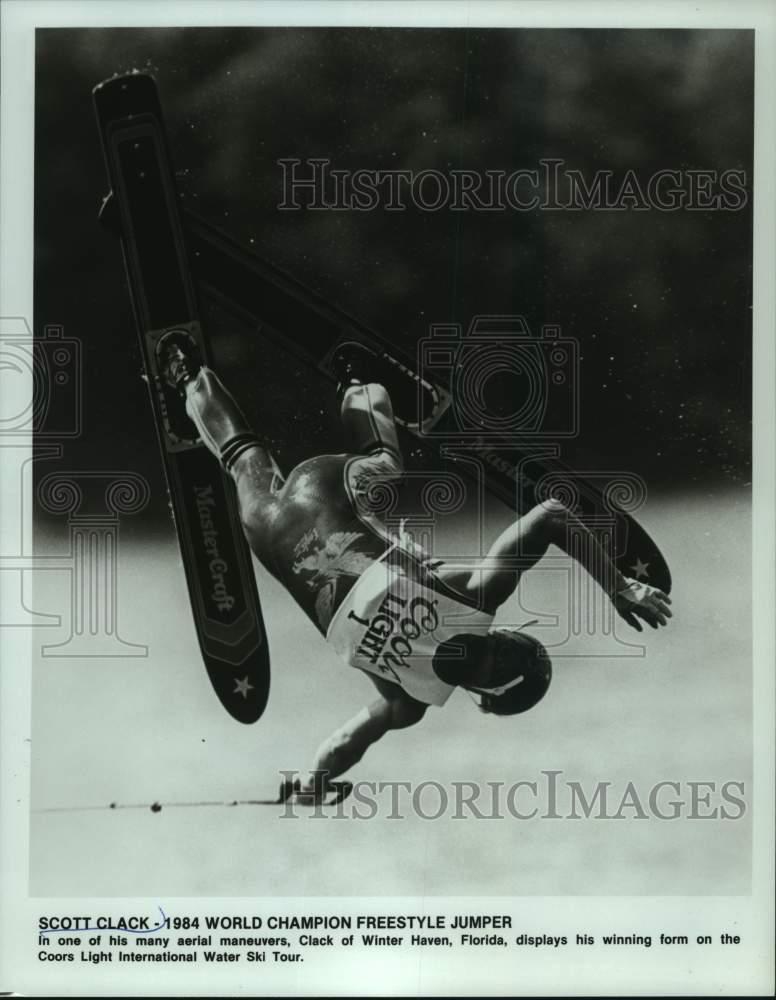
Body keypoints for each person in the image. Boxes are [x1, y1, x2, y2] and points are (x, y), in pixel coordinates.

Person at [158, 332, 672, 799]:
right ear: (483, 698)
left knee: (384, 462)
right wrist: (314, 777)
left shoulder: (477, 596)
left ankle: (357, 382)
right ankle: (182, 376)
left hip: (328, 492)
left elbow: (553, 515)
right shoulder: (407, 701)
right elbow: (344, 745)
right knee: (242, 456)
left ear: (505, 646)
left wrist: (619, 588)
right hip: (268, 533)